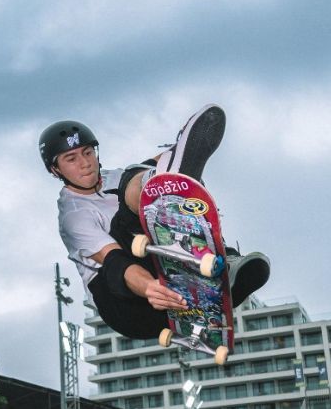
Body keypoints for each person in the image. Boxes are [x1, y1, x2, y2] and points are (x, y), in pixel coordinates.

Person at [41, 105, 270, 340]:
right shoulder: (73, 215)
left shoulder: (115, 176)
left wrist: (180, 150)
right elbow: (114, 261)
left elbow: (155, 162)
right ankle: (165, 184)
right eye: (71, 159)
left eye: (88, 153)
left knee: (154, 176)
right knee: (135, 186)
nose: (85, 162)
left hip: (165, 280)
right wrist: (149, 287)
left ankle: (222, 263)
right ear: (55, 170)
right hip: (129, 308)